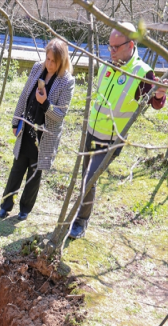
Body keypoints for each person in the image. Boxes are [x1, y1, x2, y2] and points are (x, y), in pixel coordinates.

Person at [68, 25, 166, 238]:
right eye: (109, 46)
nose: (110, 51)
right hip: (92, 132)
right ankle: (78, 214)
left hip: (111, 140)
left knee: (89, 179)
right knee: (83, 176)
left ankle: (80, 222)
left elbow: (154, 102)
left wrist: (159, 95)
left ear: (131, 45)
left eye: (115, 47)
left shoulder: (141, 72)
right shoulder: (107, 65)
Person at [0, 39, 75, 221]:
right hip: (27, 129)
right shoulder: (37, 68)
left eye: (53, 61)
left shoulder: (67, 82)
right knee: (17, 169)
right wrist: (16, 122)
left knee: (34, 174)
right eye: (47, 58)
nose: (49, 64)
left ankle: (24, 209)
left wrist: (45, 103)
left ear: (62, 61)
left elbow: (60, 115)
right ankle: (6, 205)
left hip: (44, 136)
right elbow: (24, 96)